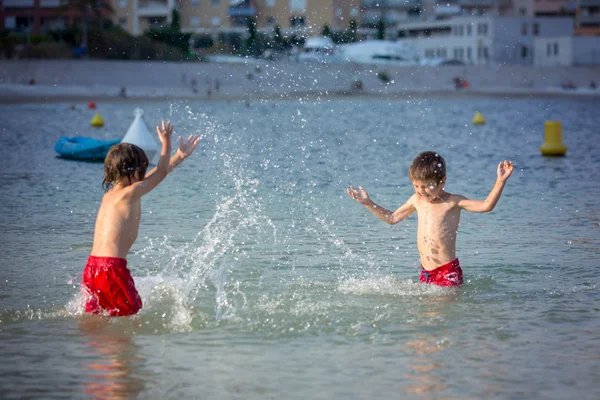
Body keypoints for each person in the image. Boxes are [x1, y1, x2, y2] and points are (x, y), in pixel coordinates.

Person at [81, 121, 201, 316]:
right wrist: (166, 144)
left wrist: (179, 157)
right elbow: (161, 172)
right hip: (111, 269)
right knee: (130, 316)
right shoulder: (131, 193)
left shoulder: (113, 194)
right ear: (134, 171)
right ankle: (122, 347)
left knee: (98, 318)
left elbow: (158, 173)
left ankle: (96, 346)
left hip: (92, 268)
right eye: (143, 169)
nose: (145, 173)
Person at [346, 151, 514, 287]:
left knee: (442, 318)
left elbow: (486, 206)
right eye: (417, 186)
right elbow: (392, 218)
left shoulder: (453, 202)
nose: (422, 191)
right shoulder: (416, 200)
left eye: (427, 186)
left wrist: (500, 180)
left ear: (442, 182)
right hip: (425, 272)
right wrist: (368, 203)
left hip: (447, 271)